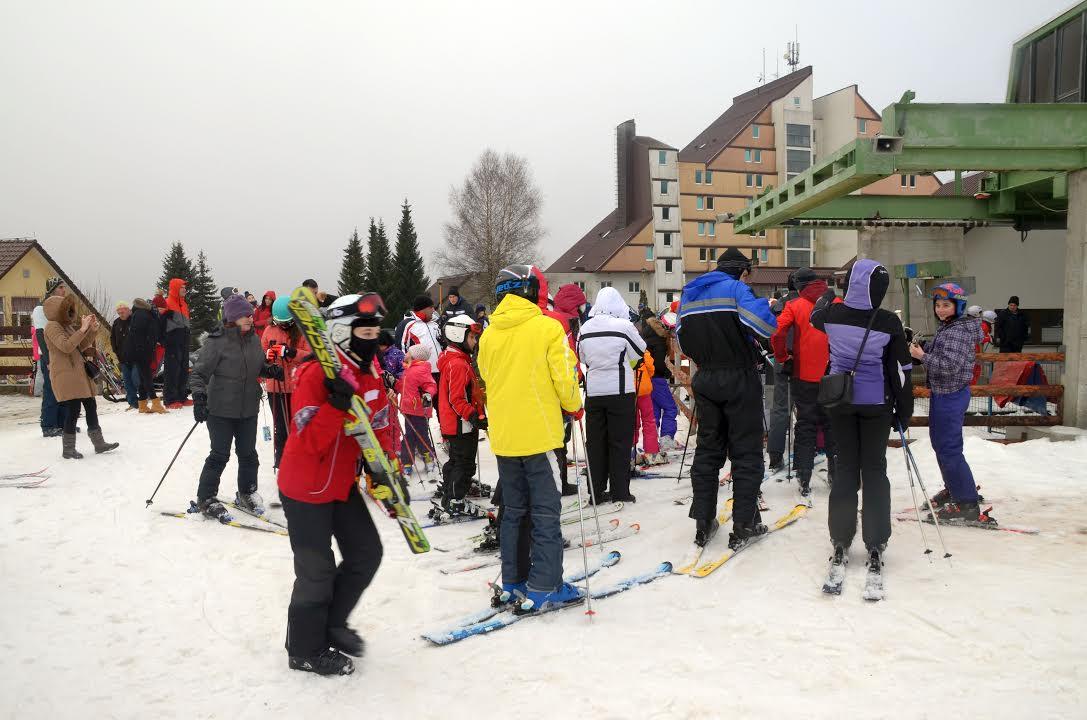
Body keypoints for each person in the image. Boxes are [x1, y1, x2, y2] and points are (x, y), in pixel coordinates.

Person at [277, 291, 391, 676]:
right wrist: (335, 406)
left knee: (366, 553)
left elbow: (379, 426)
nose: (371, 337)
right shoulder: (314, 375)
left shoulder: (368, 373)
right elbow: (307, 442)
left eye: (375, 329)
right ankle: (305, 649)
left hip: (341, 484)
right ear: (342, 331)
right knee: (316, 571)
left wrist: (384, 470)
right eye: (364, 329)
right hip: (305, 487)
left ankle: (333, 623)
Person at [477, 264, 582, 611]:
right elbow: (564, 378)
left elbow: (488, 378)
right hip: (540, 436)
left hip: (506, 438)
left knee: (514, 511)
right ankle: (546, 585)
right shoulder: (548, 327)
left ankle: (513, 580)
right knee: (546, 512)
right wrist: (574, 405)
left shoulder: (489, 334)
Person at [811, 259, 913, 576]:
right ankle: (876, 538)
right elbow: (901, 371)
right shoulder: (887, 323)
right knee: (874, 470)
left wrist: (828, 296)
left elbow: (815, 316)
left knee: (844, 469)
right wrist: (904, 412)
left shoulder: (831, 316)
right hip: (876, 405)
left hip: (840, 402)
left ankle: (840, 536)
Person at [677, 247, 777, 548]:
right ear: (739, 271)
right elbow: (765, 326)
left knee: (708, 451)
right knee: (746, 452)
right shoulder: (736, 290)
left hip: (706, 378)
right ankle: (745, 522)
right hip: (738, 377)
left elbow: (682, 340)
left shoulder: (690, 293)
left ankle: (703, 520)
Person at [189, 294, 283, 519]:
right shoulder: (216, 341)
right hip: (220, 409)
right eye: (245, 316)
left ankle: (247, 492)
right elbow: (199, 374)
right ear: (232, 318)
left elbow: (258, 366)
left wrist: (269, 370)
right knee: (219, 455)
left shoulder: (252, 339)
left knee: (249, 454)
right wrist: (200, 399)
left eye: (250, 315)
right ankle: (206, 498)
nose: (250, 319)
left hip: (248, 408)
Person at [910, 284, 987, 521]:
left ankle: (966, 503)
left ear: (958, 306)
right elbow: (938, 354)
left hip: (951, 394)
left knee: (949, 448)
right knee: (941, 445)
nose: (940, 310)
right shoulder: (949, 327)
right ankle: (954, 487)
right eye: (938, 305)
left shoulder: (957, 331)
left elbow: (949, 366)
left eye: (946, 305)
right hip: (943, 394)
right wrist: (920, 348)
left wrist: (922, 357)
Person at [771, 267, 837, 496]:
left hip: (804, 374)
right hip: (834, 374)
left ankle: (804, 474)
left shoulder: (794, 305)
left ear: (798, 286)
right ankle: (836, 472)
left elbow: (777, 333)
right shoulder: (836, 301)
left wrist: (783, 357)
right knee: (832, 424)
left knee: (806, 425)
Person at [578, 286, 646, 503]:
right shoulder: (624, 326)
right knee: (620, 442)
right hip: (620, 392)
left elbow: (582, 356)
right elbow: (639, 351)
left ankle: (595, 492)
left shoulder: (585, 328)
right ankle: (620, 491)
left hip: (594, 393)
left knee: (596, 443)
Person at [42, 294, 119, 458]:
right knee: (73, 409)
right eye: (66, 308)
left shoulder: (66, 326)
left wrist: (92, 331)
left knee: (91, 405)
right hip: (66, 374)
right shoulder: (52, 326)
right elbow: (66, 347)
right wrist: (82, 329)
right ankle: (68, 449)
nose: (70, 311)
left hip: (78, 373)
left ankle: (99, 443)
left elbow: (80, 346)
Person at [437, 314, 486, 514]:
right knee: (465, 464)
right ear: (458, 335)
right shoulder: (458, 364)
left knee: (456, 460)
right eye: (472, 337)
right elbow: (456, 398)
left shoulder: (453, 360)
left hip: (453, 423)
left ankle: (449, 494)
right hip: (462, 424)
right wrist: (474, 416)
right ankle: (456, 498)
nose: (475, 342)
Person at [262, 296, 311, 470]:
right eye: (280, 323)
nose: (283, 326)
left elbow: (311, 356)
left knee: (298, 425)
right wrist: (267, 356)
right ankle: (282, 461)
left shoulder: (303, 330)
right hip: (276, 387)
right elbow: (261, 355)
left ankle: (301, 459)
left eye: (287, 323)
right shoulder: (269, 330)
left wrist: (291, 351)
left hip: (297, 386)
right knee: (281, 427)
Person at [767, 283, 800, 471]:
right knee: (806, 409)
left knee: (779, 409)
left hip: (781, 362)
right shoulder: (810, 304)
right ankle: (804, 455)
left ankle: (775, 455)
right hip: (805, 363)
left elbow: (767, 333)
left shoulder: (777, 306)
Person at [32, 277, 69, 436]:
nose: (63, 290)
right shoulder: (41, 309)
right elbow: (40, 335)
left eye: (64, 287)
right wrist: (47, 359)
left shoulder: (61, 308)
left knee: (64, 390)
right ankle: (48, 425)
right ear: (52, 289)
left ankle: (63, 423)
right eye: (60, 287)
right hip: (49, 356)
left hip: (62, 355)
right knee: (51, 390)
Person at [639, 307, 679, 451]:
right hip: (657, 378)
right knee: (670, 408)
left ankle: (652, 440)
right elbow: (659, 363)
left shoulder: (648, 333)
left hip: (646, 377)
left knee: (654, 409)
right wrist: (668, 372)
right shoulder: (660, 339)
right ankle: (666, 437)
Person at [397, 344, 438, 471]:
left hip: (419, 410)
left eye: (408, 352)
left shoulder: (421, 369)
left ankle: (429, 458)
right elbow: (403, 387)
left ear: (415, 356)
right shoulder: (408, 369)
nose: (406, 353)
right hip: (408, 409)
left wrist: (427, 394)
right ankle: (407, 462)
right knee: (409, 437)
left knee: (421, 436)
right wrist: (394, 383)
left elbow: (431, 385)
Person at [125, 298, 166, 413]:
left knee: (144, 377)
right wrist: (144, 347)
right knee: (147, 376)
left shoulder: (143, 314)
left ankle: (142, 404)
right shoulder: (142, 314)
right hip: (141, 351)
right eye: (160, 308)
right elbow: (138, 334)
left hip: (142, 350)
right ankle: (155, 403)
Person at [162, 278, 191, 409]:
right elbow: (160, 323)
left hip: (184, 340)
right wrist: (164, 340)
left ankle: (181, 396)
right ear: (174, 289)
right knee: (172, 370)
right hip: (172, 342)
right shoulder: (167, 303)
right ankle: (170, 399)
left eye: (185, 287)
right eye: (182, 287)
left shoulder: (184, 304)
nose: (184, 289)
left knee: (184, 369)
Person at [634, 350, 665, 465]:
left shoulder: (621, 346)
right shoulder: (641, 349)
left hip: (628, 391)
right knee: (648, 421)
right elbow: (651, 367)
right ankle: (651, 452)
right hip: (644, 389)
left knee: (632, 422)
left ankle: (631, 454)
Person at [401, 295, 442, 380]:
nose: (433, 310)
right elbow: (402, 349)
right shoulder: (408, 324)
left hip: (440, 371)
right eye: (431, 307)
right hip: (422, 373)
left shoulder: (435, 324)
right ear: (423, 309)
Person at [110, 301, 139, 410]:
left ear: (128, 310)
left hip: (136, 357)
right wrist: (115, 350)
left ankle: (143, 399)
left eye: (123, 311)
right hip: (123, 358)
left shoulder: (135, 320)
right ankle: (132, 403)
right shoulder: (116, 323)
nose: (121, 314)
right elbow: (112, 338)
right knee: (127, 382)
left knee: (136, 379)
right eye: (119, 312)